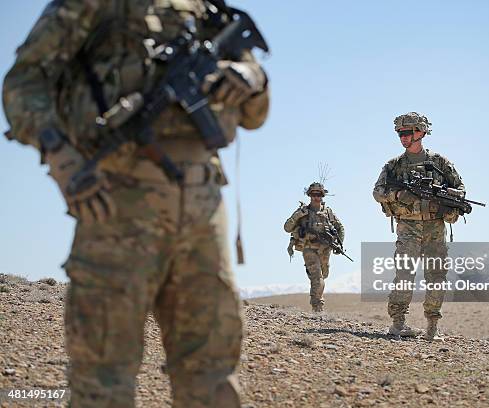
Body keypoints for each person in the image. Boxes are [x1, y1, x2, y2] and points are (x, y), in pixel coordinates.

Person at [2, 1, 269, 406]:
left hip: (201, 209)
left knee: (213, 377)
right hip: (117, 205)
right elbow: (23, 85)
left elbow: (255, 114)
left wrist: (252, 77)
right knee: (102, 377)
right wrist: (63, 161)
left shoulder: (204, 9)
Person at [372, 112, 464, 341]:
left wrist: (443, 195)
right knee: (404, 274)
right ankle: (398, 324)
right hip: (408, 228)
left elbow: (461, 189)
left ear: (421, 132)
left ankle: (432, 326)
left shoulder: (440, 162)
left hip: (434, 229)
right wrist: (400, 194)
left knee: (436, 276)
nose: (403, 137)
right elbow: (377, 192)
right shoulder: (394, 165)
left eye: (407, 133)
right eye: (400, 133)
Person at [284, 182, 345, 312]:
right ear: (309, 195)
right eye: (313, 194)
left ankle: (317, 301)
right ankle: (317, 307)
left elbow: (340, 228)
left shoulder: (328, 212)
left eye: (319, 194)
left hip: (325, 248)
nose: (315, 197)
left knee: (324, 274)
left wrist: (340, 244)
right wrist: (298, 215)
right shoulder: (302, 211)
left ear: (323, 195)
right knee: (316, 277)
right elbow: (287, 228)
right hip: (308, 247)